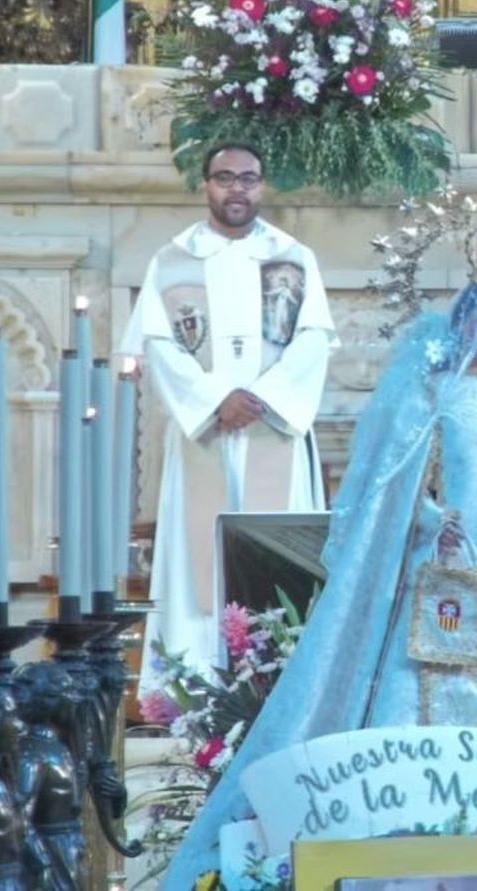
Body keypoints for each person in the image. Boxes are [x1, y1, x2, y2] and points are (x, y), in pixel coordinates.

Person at [164, 279, 477, 887]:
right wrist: (431, 526)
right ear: (465, 322)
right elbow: (392, 488)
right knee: (411, 717)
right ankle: (401, 866)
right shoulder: (431, 394)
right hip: (438, 586)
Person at [121, 143, 336, 692]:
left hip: (272, 432)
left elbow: (313, 339)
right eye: (224, 178)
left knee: (276, 553)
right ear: (205, 185)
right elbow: (159, 346)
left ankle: (279, 685)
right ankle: (194, 692)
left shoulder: (293, 257)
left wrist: (261, 398)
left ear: (262, 186)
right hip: (206, 437)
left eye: (248, 178)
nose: (237, 188)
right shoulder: (173, 261)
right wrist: (216, 401)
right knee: (201, 561)